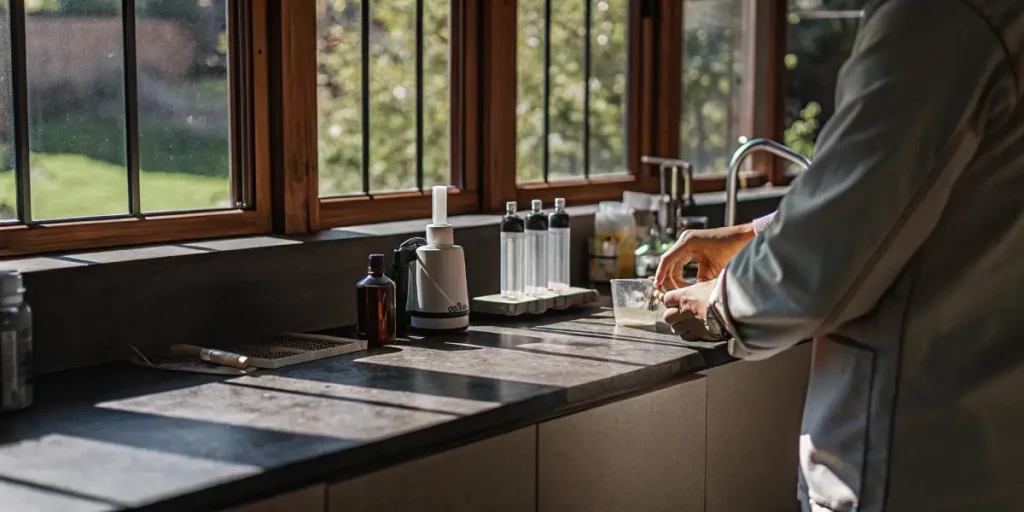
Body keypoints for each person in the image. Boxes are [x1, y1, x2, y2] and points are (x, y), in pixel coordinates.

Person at [654, 0, 1024, 510]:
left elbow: (823, 264)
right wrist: (752, 234)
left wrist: (718, 303)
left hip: (909, 463)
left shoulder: (936, 17)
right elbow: (911, 194)